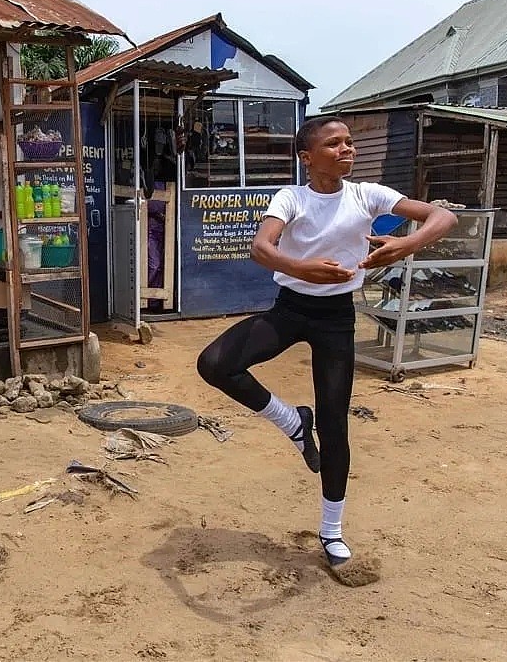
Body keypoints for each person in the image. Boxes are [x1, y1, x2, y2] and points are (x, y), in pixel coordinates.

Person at [196, 116, 457, 570]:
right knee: (215, 363)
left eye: (350, 142)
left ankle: (331, 531)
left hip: (336, 319)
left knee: (335, 425)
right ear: (307, 157)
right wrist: (302, 269)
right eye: (334, 143)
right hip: (290, 308)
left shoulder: (368, 194)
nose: (346, 149)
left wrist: (405, 245)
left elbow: (444, 216)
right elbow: (262, 247)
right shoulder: (291, 197)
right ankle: (291, 420)